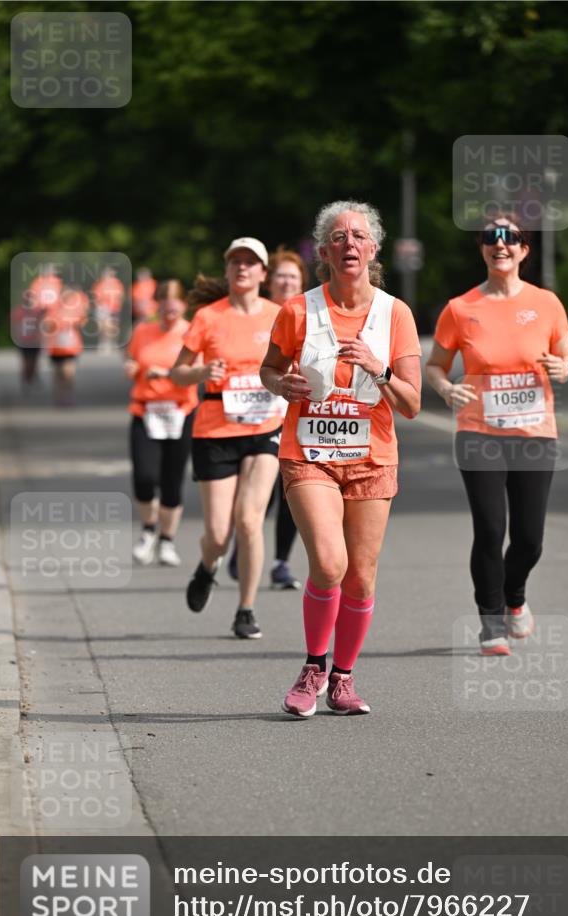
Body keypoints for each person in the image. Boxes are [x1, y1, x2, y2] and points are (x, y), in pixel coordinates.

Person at [260, 201, 421, 717]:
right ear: (324, 251)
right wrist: (280, 383)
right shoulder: (297, 311)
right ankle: (313, 666)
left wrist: (379, 369)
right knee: (329, 564)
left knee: (361, 577)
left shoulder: (395, 314)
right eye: (337, 236)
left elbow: (413, 404)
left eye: (358, 235)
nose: (348, 242)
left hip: (372, 459)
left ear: (372, 249)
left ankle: (344, 679)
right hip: (309, 453)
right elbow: (268, 370)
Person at [425, 213, 568, 655]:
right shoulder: (461, 308)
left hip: (535, 434)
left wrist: (564, 368)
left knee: (529, 538)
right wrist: (447, 387)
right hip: (479, 433)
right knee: (490, 529)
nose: (501, 244)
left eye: (511, 238)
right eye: (491, 238)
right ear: (482, 249)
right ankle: (490, 622)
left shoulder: (546, 303)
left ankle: (515, 598)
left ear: (524, 249)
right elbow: (435, 365)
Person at [171, 237, 282, 639]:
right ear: (228, 269)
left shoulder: (279, 315)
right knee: (218, 535)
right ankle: (207, 566)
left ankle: (246, 608)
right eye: (235, 261)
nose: (242, 268)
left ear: (263, 274)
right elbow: (176, 373)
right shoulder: (208, 317)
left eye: (251, 262)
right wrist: (201, 374)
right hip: (215, 430)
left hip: (264, 428)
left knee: (250, 520)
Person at [227, 247, 309, 589]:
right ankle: (243, 542)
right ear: (269, 280)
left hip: (295, 416)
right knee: (261, 494)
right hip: (256, 418)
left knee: (292, 492)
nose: (288, 282)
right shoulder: (256, 315)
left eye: (294, 276)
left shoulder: (308, 313)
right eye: (282, 276)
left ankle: (279, 561)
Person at [125, 280, 197, 567]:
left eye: (175, 304)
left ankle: (167, 540)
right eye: (165, 304)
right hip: (145, 411)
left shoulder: (191, 332)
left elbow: (196, 373)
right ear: (158, 306)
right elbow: (133, 360)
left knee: (172, 478)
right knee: (144, 476)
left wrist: (166, 374)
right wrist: (131, 368)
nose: (170, 310)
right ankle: (147, 531)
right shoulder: (143, 331)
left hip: (180, 412)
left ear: (184, 305)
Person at [43, 284, 88, 406]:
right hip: (56, 347)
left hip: (71, 347)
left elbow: (83, 321)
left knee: (68, 372)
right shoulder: (54, 308)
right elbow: (47, 324)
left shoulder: (75, 308)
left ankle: (68, 395)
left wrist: (76, 325)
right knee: (58, 374)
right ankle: (58, 396)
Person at [92, 266, 125, 352]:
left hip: (114, 308)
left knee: (113, 327)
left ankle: (113, 343)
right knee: (103, 327)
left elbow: (120, 295)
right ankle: (103, 344)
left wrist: (117, 305)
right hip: (103, 308)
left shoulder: (117, 283)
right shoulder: (100, 283)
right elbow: (96, 296)